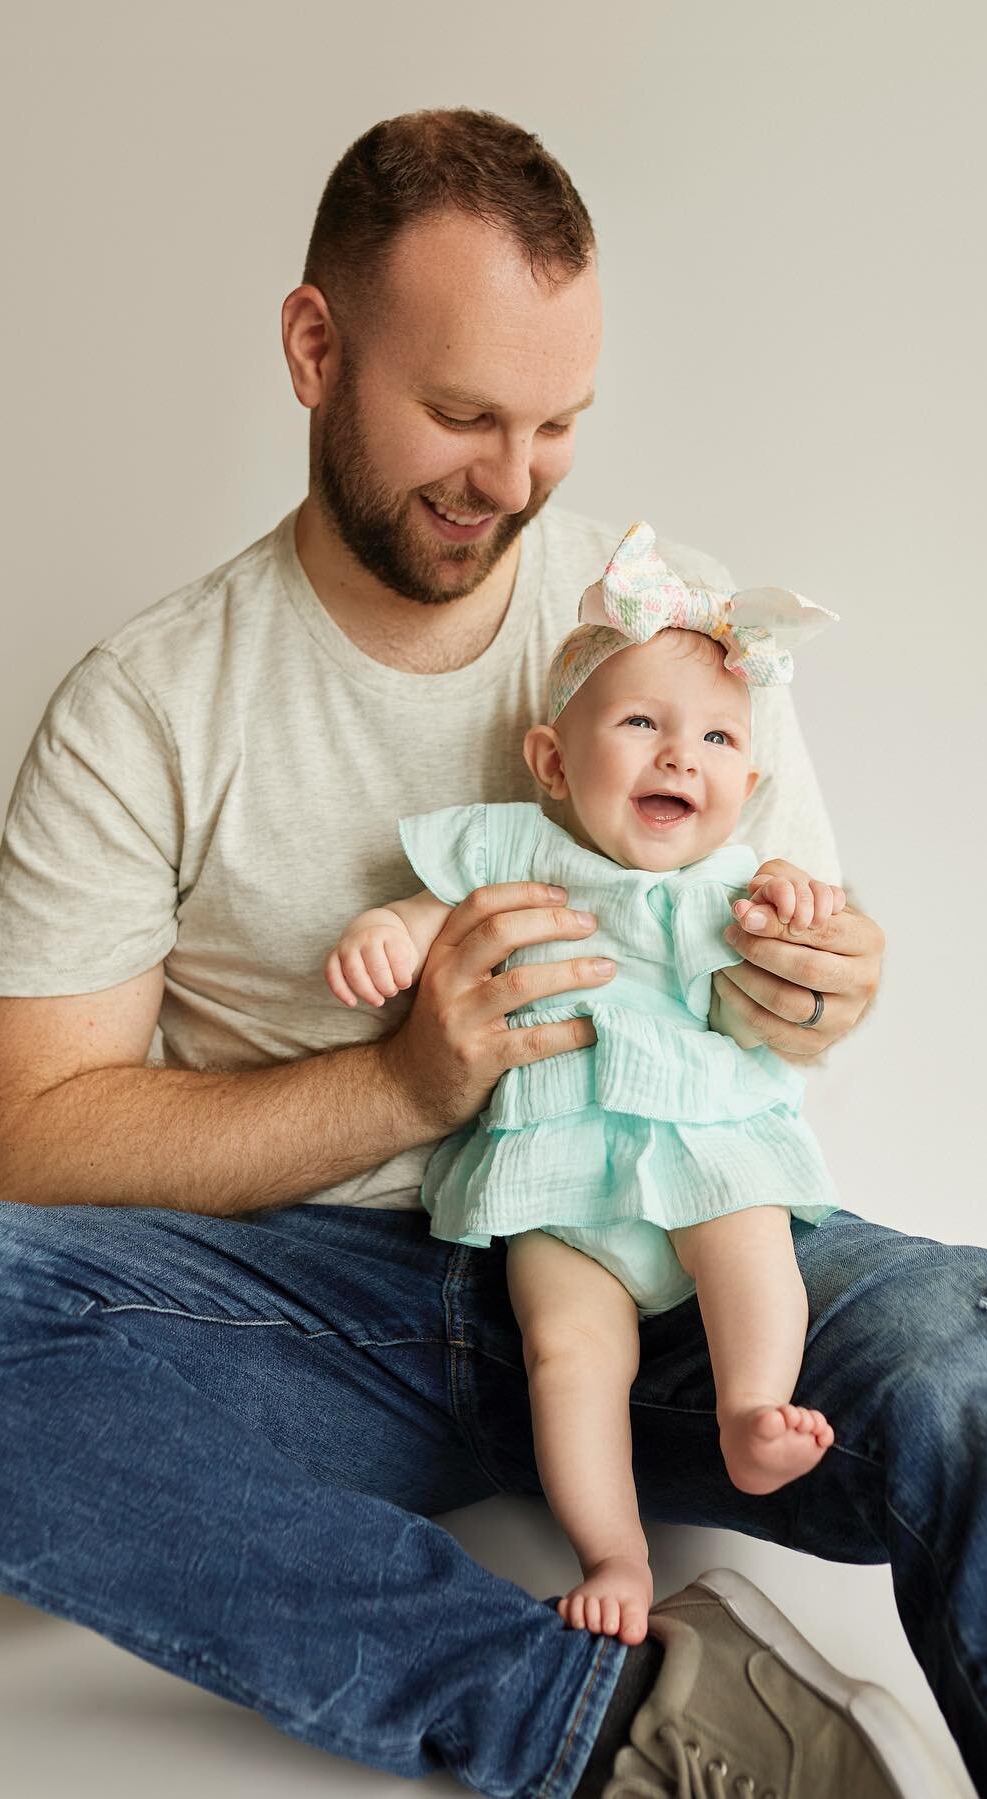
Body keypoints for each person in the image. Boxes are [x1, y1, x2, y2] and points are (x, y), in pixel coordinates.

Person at [0, 105, 987, 1799]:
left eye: (558, 423)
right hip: (326, 1313)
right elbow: (18, 1141)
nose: (510, 481)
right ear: (313, 347)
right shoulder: (148, 702)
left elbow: (757, 982)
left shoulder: (671, 637)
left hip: (668, 1246)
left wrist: (814, 985)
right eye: (460, 414)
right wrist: (399, 1080)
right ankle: (624, 1719)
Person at [325, 517, 850, 1649]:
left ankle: (753, 1407)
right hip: (561, 1175)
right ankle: (611, 1548)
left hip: (710, 1146)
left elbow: (802, 948)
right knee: (569, 1354)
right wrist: (388, 932)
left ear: (746, 781)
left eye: (715, 736)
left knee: (753, 1251)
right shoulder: (519, 849)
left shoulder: (738, 878)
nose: (680, 755)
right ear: (555, 762)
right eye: (643, 723)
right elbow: (435, 913)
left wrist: (805, 910)